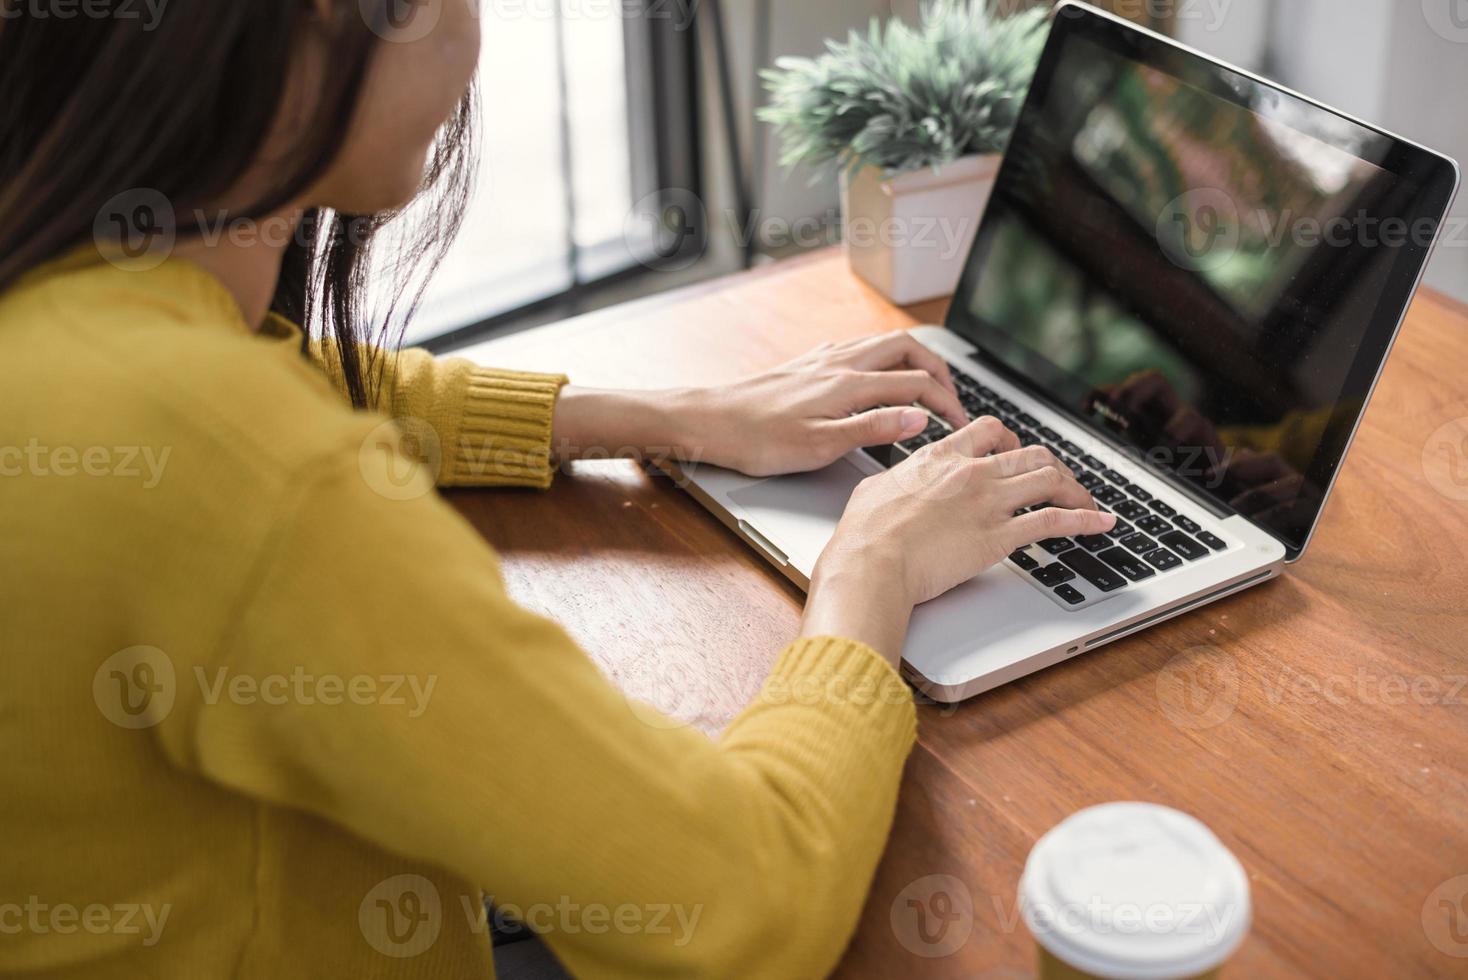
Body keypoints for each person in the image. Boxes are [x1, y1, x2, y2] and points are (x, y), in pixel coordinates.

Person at [0, 3, 1111, 977]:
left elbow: (328, 386)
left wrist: (678, 415)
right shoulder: (252, 477)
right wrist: (869, 570)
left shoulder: (70, 277)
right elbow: (735, 908)